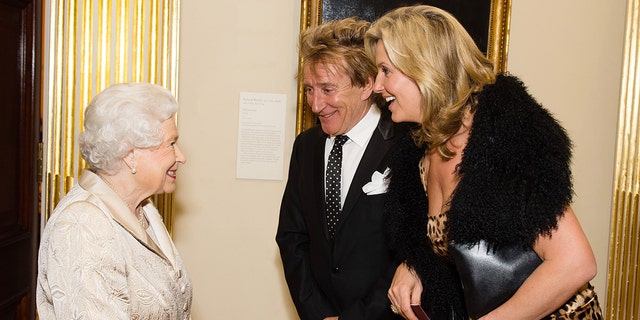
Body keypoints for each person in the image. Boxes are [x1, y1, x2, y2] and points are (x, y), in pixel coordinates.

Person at [364, 5, 602, 320]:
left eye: (385, 71)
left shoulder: (503, 140)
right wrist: (413, 265)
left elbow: (575, 263)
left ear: (425, 67)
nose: (377, 86)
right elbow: (451, 250)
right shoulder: (424, 150)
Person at [276, 17, 409, 320]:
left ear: (365, 84)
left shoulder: (405, 146)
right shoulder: (306, 147)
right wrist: (316, 313)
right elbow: (292, 237)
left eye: (327, 89)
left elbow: (410, 251)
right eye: (309, 89)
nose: (315, 104)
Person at [36, 83, 192, 319]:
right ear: (130, 154)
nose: (181, 157)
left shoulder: (143, 207)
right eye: (171, 144)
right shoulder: (83, 227)